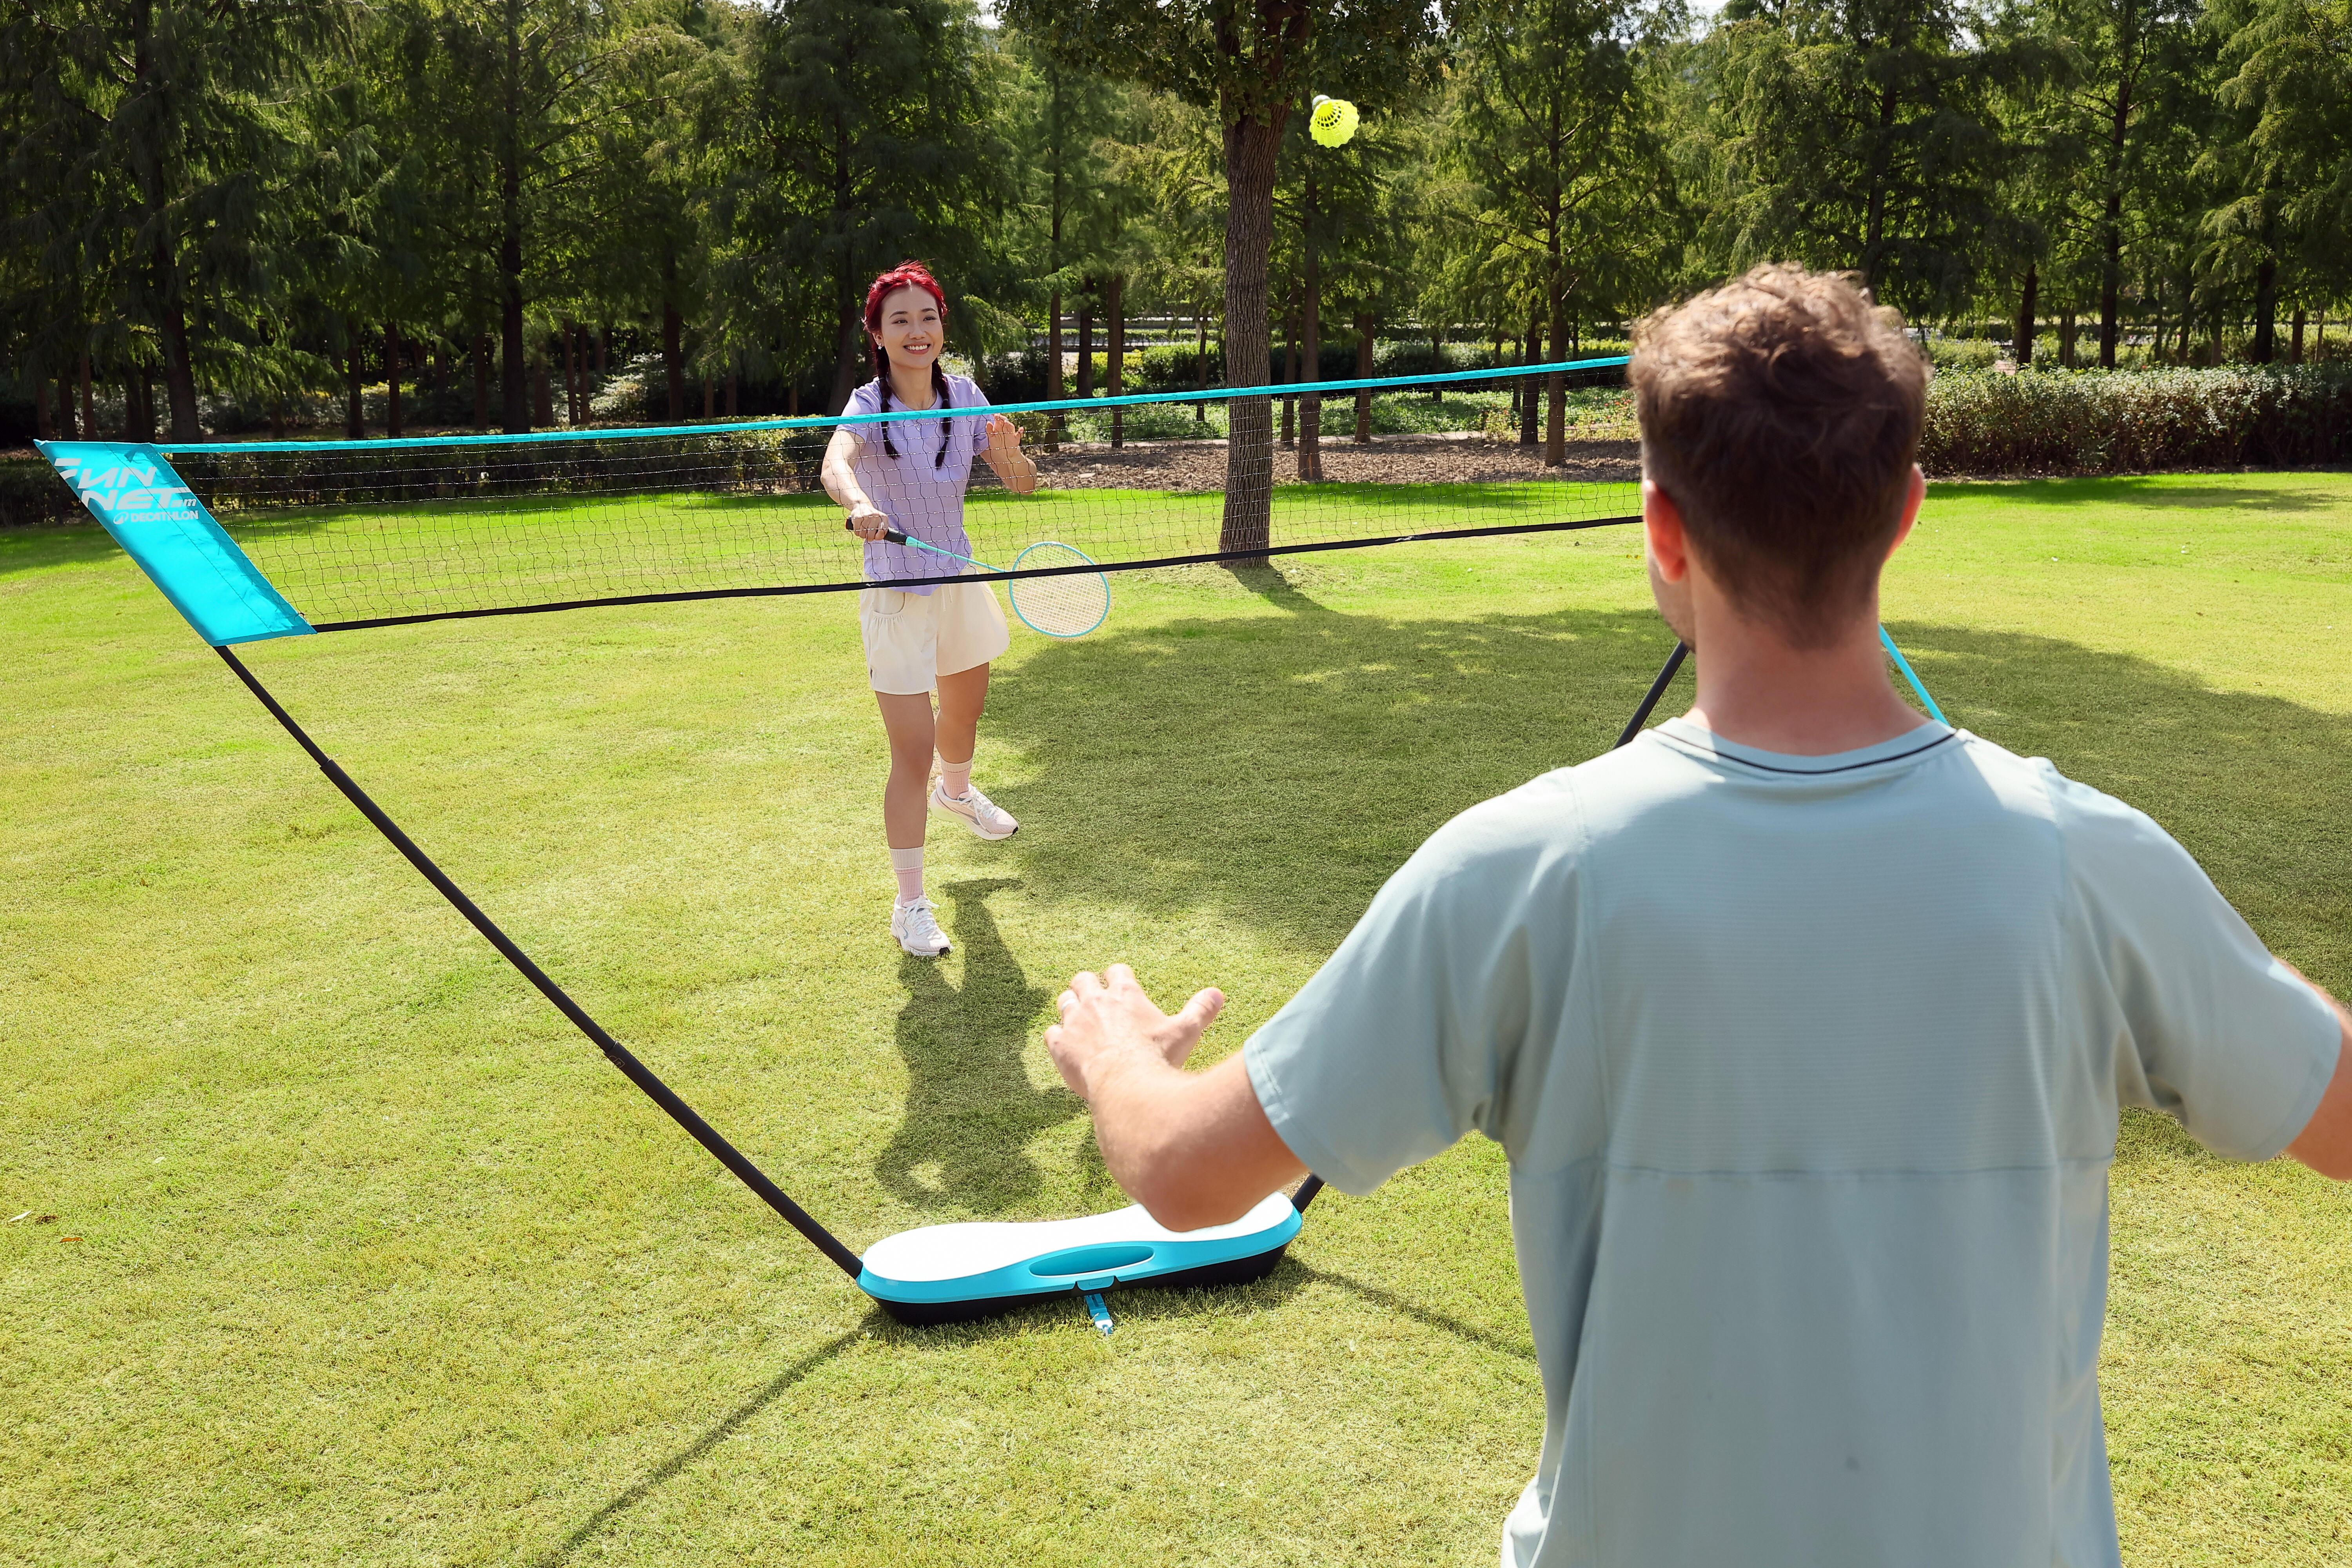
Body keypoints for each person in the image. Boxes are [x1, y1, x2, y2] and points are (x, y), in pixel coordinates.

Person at [1042, 265, 2352, 1566]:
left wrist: (1113, 1054)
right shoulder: (2088, 865)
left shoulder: (1515, 869)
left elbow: (1184, 1173)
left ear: (1662, 527)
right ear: (1906, 512)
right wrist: (2223, 966)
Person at [822, 262, 1039, 957]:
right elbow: (836, 462)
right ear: (878, 336)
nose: (917, 331)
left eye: (928, 318)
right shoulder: (868, 404)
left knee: (967, 710)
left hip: (958, 579)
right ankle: (909, 903)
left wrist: (1011, 458)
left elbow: (1023, 486)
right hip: (896, 590)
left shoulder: (965, 394)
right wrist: (858, 504)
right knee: (912, 750)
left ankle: (959, 794)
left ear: (942, 326)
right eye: (900, 321)